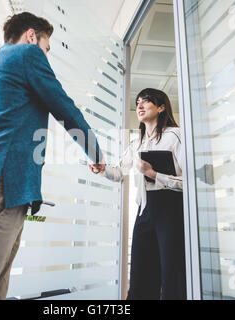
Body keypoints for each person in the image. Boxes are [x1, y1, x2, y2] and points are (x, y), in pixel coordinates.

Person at [0, 12, 103, 300]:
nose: (45, 55)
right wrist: (95, 153)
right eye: (46, 47)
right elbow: (64, 107)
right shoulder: (27, 54)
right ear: (30, 36)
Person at [90, 88, 186, 300]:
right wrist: (103, 168)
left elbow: (189, 184)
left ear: (161, 107)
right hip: (145, 209)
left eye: (147, 101)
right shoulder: (136, 143)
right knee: (141, 273)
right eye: (138, 101)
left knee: (172, 273)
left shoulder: (175, 136)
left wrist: (153, 173)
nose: (140, 105)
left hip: (171, 207)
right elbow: (118, 172)